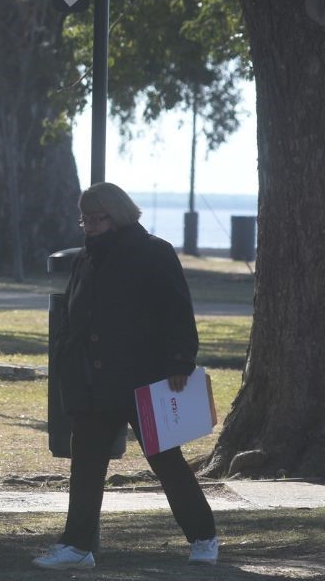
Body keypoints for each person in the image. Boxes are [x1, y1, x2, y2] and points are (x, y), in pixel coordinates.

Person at [34, 182, 219, 570]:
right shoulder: (86, 258)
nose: (89, 226)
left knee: (166, 461)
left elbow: (177, 312)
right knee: (85, 466)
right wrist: (67, 352)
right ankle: (77, 545)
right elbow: (73, 310)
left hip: (143, 378)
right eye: (85, 219)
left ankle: (203, 535)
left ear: (117, 214)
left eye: (98, 218)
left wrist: (179, 362)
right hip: (93, 380)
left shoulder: (153, 252)